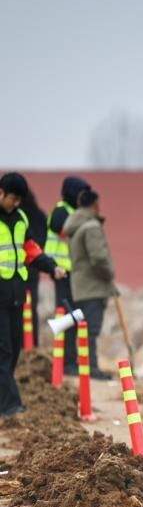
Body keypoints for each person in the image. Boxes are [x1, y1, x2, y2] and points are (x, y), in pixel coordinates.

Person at [0, 173, 63, 416]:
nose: (15, 204)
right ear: (2, 193)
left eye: (19, 200)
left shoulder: (21, 218)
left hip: (16, 296)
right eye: (12, 199)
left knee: (14, 349)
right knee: (3, 351)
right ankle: (11, 406)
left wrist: (51, 266)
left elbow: (30, 250)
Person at [63, 189, 116, 381]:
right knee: (92, 330)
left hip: (80, 286)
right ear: (94, 204)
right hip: (94, 286)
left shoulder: (75, 226)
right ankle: (92, 368)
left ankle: (86, 365)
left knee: (85, 329)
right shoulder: (91, 227)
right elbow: (99, 258)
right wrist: (109, 274)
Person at [46, 176, 90, 374]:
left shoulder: (76, 212)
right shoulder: (60, 211)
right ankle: (65, 362)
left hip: (75, 274)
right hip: (62, 272)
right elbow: (63, 230)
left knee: (76, 317)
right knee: (67, 316)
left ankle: (72, 360)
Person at [20, 188, 49, 341]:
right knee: (31, 307)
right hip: (33, 267)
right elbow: (42, 242)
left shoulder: (17, 217)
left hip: (18, 269)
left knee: (16, 309)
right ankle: (32, 343)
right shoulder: (40, 216)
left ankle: (23, 346)